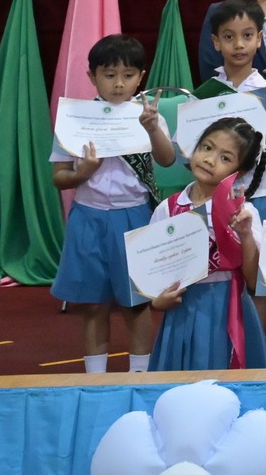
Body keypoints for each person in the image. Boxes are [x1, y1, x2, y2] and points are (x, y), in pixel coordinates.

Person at [50, 34, 178, 374]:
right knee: (92, 305)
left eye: (128, 75)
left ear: (141, 77)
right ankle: (96, 379)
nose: (119, 84)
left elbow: (166, 160)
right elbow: (59, 177)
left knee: (137, 302)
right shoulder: (75, 119)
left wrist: (152, 129)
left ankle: (140, 376)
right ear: (92, 76)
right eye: (109, 75)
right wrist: (82, 173)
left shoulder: (147, 116)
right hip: (87, 217)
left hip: (134, 216)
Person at [147, 118, 266, 371]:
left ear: (239, 172)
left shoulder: (244, 212)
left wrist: (246, 235)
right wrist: (157, 301)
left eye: (225, 158)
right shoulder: (167, 208)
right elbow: (151, 272)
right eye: (207, 147)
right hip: (182, 306)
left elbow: (253, 281)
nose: (210, 160)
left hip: (228, 306)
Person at [198, 0, 266, 223]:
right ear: (216, 42)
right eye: (229, 37)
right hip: (213, 192)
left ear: (259, 38)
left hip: (261, 192)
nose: (239, 44)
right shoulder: (205, 94)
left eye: (247, 35)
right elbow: (190, 149)